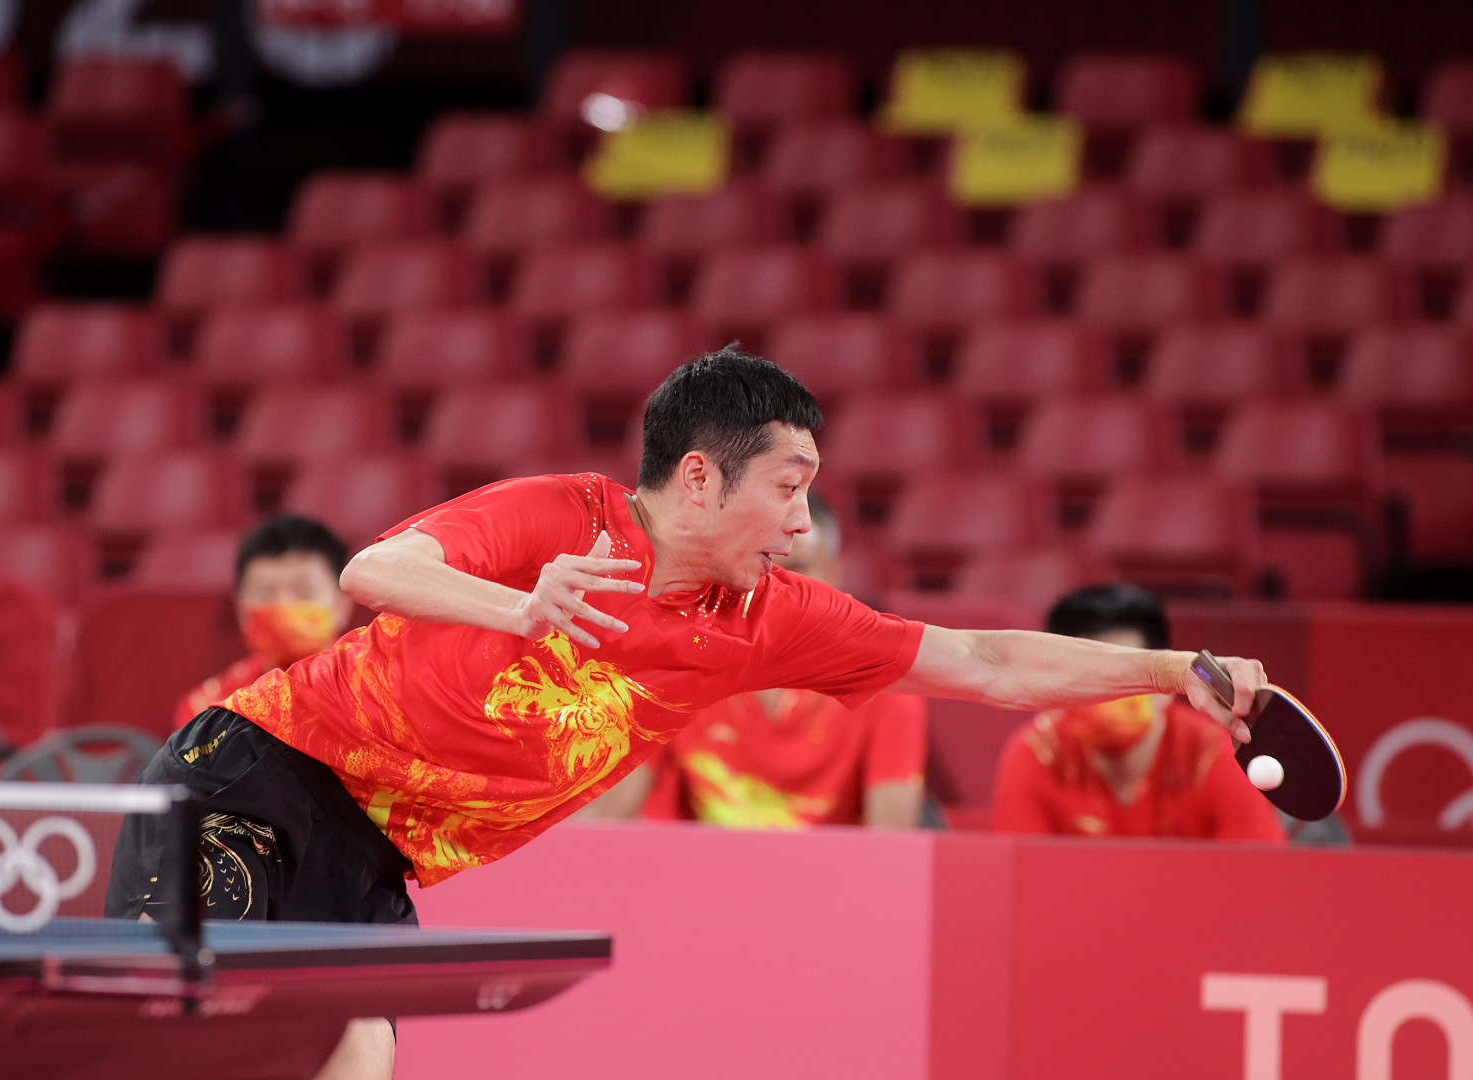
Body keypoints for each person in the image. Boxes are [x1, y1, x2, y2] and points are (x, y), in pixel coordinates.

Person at [107, 348, 1270, 1078]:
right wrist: (518, 608)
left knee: (359, 1059)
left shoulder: (769, 617)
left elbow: (980, 659)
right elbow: (373, 571)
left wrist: (1173, 675)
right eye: (791, 484)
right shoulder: (560, 518)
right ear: (703, 477)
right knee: (195, 1048)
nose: (804, 523)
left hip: (376, 859)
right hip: (249, 780)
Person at [586, 493, 926, 828]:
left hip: (831, 880)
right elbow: (610, 826)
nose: (777, 590)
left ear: (834, 577)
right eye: (764, 568)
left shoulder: (886, 691)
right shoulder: (676, 668)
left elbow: (891, 851)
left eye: (799, 568)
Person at [990, 584, 1287, 843]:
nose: (1102, 696)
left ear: (1168, 684)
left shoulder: (1213, 756)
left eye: (1122, 678)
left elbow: (1254, 886)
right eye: (1085, 679)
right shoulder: (1036, 754)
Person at [168, 515, 358, 730]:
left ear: (342, 605)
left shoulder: (373, 694)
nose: (283, 606)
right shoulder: (209, 710)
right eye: (266, 594)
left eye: (305, 592)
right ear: (241, 608)